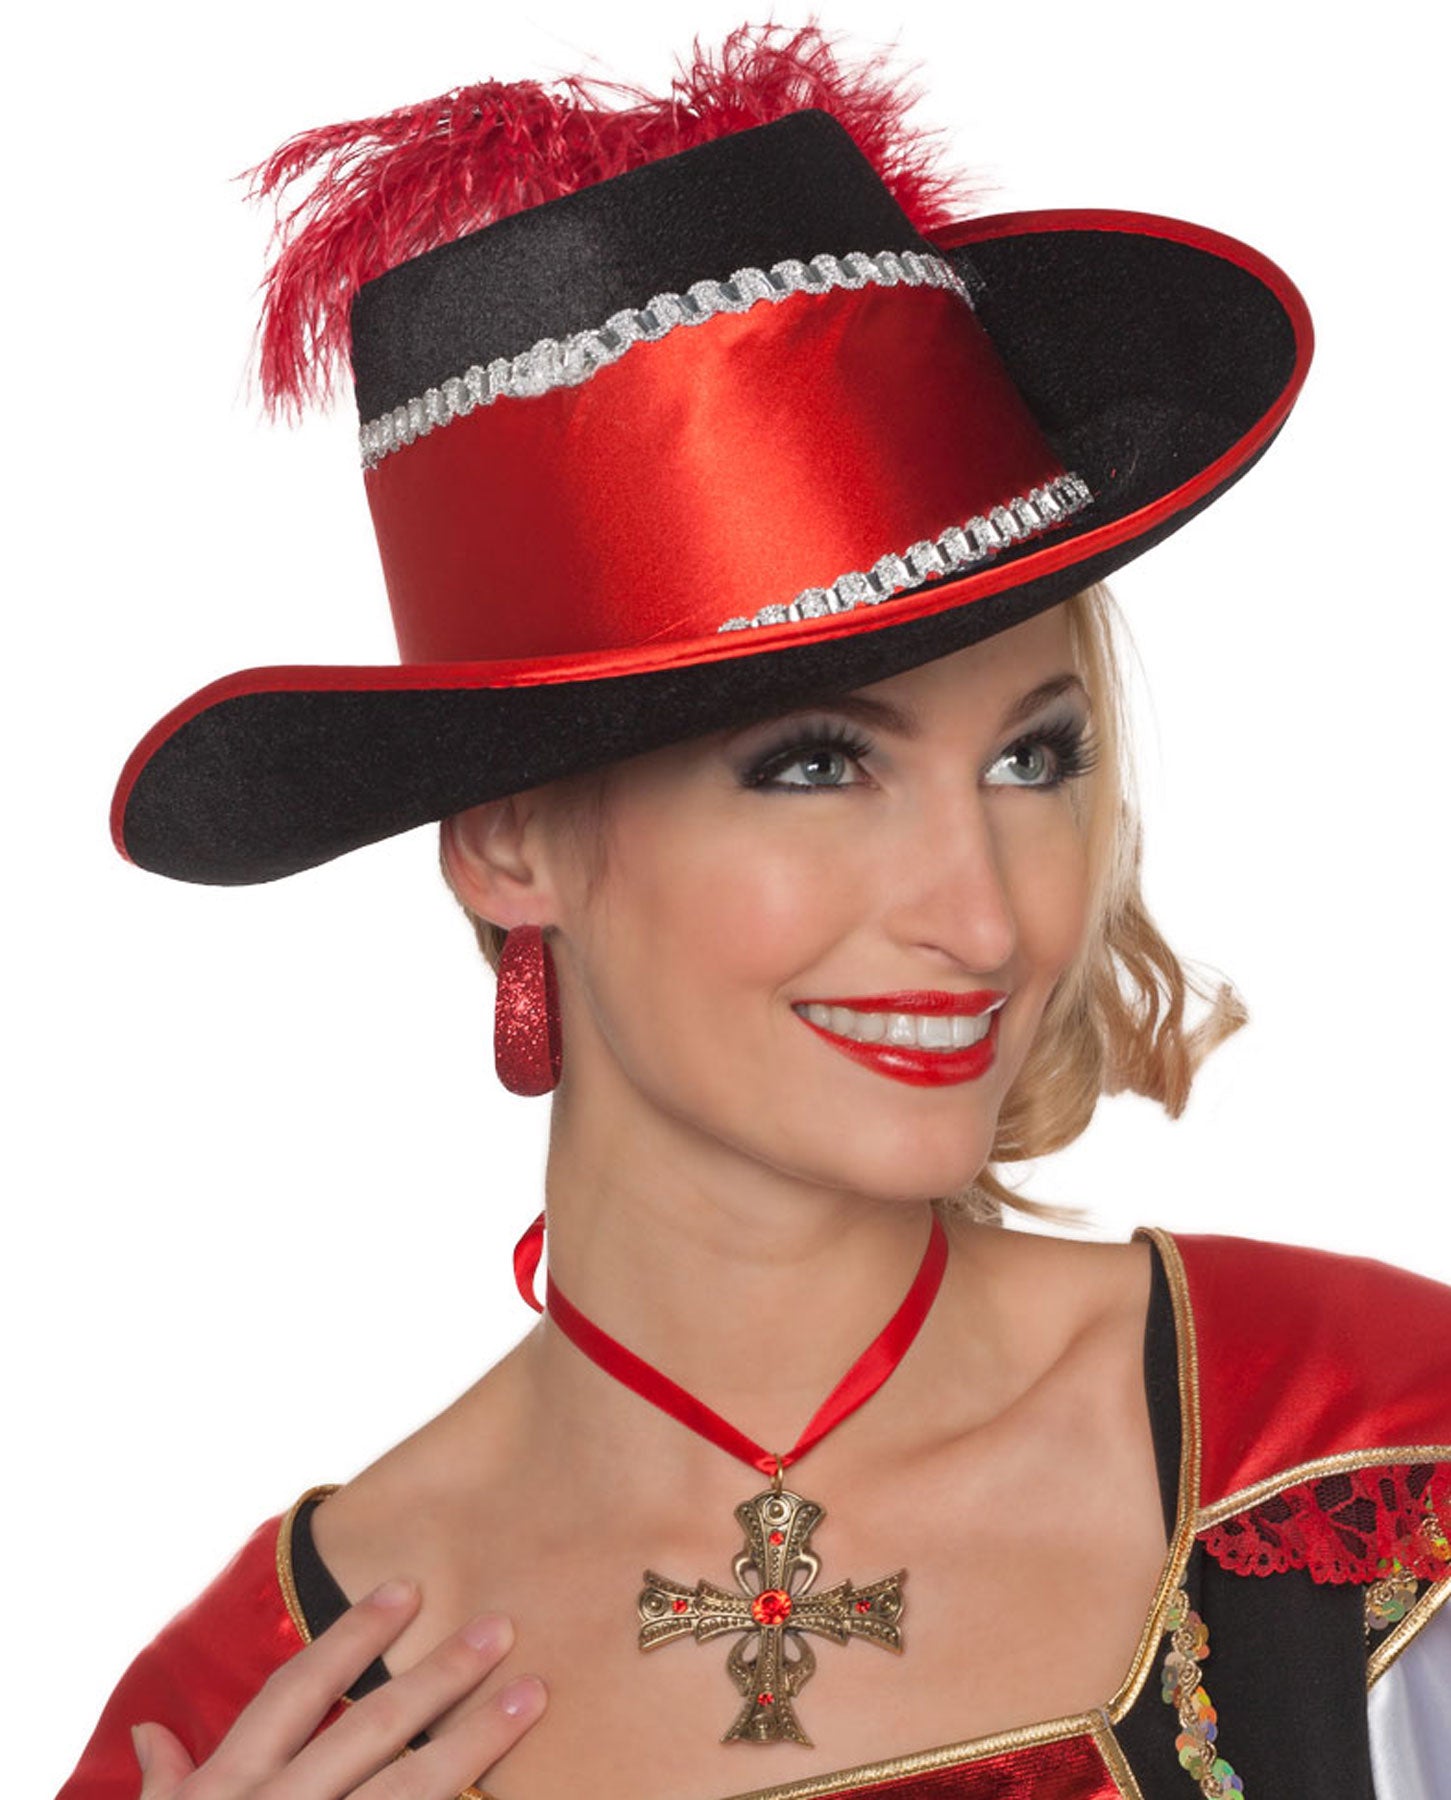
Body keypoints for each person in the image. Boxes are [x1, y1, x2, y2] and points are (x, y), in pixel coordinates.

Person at [60, 22, 1450, 1800]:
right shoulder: (244, 1721)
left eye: (1033, 758)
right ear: (508, 840)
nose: (987, 920)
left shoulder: (1363, 1455)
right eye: (815, 765)